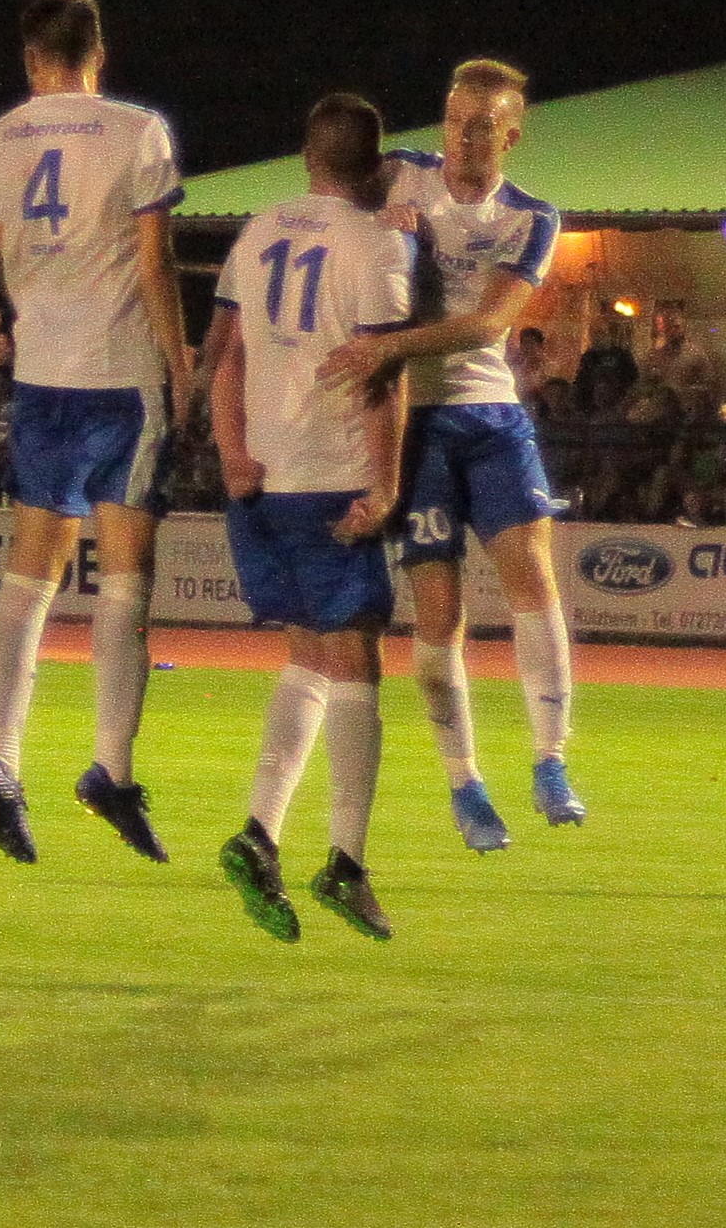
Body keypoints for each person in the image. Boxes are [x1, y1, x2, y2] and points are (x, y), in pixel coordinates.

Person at [320, 57, 583, 850]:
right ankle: (464, 782)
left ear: (511, 135)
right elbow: (331, 208)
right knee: (438, 611)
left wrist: (388, 345)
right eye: (454, 120)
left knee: (531, 573)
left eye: (481, 125)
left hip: (490, 413)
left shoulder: (530, 216)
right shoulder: (400, 174)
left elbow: (488, 324)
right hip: (415, 422)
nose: (463, 136)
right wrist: (376, 230)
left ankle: (550, 759)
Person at [0, 0, 191, 865]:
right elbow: (154, 260)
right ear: (99, 50)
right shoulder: (138, 130)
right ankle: (110, 770)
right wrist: (179, 366)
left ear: (31, 58)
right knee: (126, 573)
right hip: (118, 370)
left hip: (43, 371)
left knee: (31, 568)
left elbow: (1, 253)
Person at [213, 93, 413, 942]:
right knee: (357, 659)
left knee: (306, 657)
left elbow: (224, 357)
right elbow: (382, 376)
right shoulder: (375, 245)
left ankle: (259, 832)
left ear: (306, 155)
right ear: (376, 167)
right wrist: (386, 486)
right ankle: (345, 861)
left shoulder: (258, 229)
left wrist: (230, 452)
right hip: (331, 477)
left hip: (260, 480)